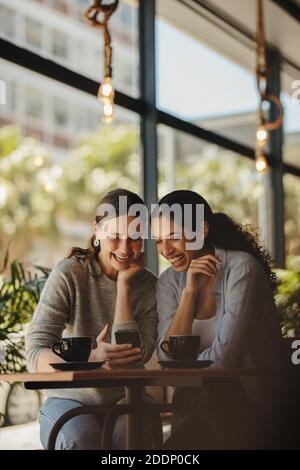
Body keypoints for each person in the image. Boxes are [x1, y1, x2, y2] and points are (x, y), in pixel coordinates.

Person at [152, 189, 287, 449]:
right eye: (158, 241)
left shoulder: (241, 268)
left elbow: (224, 361)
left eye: (173, 237)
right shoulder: (169, 281)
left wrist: (184, 367)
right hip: (195, 404)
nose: (165, 250)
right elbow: (167, 357)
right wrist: (189, 294)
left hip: (251, 403)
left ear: (201, 230)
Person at [25, 188, 160, 450]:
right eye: (115, 236)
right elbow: (36, 350)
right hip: (69, 400)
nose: (125, 248)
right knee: (81, 439)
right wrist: (90, 361)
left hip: (127, 398)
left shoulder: (149, 286)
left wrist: (123, 287)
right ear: (97, 231)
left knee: (132, 436)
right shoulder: (70, 273)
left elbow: (137, 353)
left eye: (134, 237)